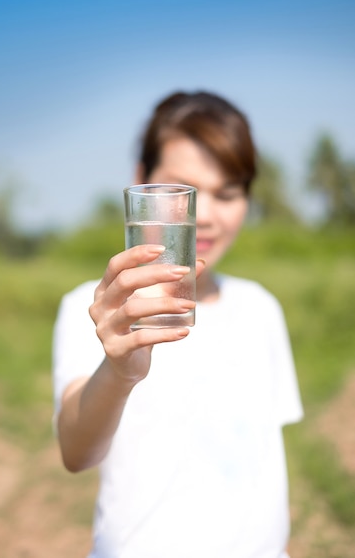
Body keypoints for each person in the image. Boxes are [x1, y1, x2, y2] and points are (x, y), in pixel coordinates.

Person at [53, 90, 303, 558]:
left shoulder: (261, 308)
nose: (203, 215)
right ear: (140, 183)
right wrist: (120, 370)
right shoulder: (95, 309)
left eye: (227, 194)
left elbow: (267, 468)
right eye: (179, 191)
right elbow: (76, 451)